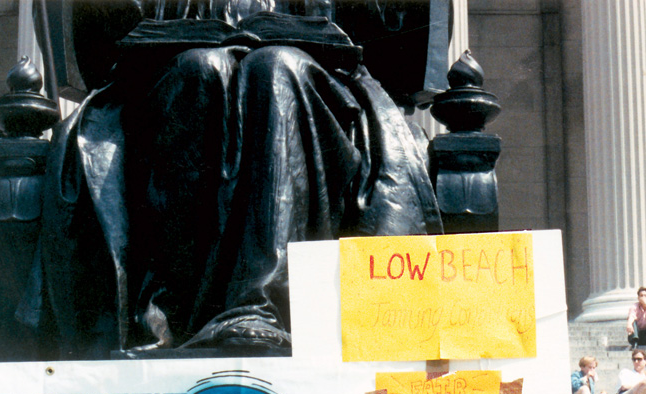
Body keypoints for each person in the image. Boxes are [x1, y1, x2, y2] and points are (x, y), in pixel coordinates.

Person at [38, 0, 443, 360]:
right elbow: (98, 38)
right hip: (179, 75)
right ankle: (177, 314)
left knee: (276, 68)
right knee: (199, 68)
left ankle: (258, 304)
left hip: (309, 91)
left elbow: (395, 33)